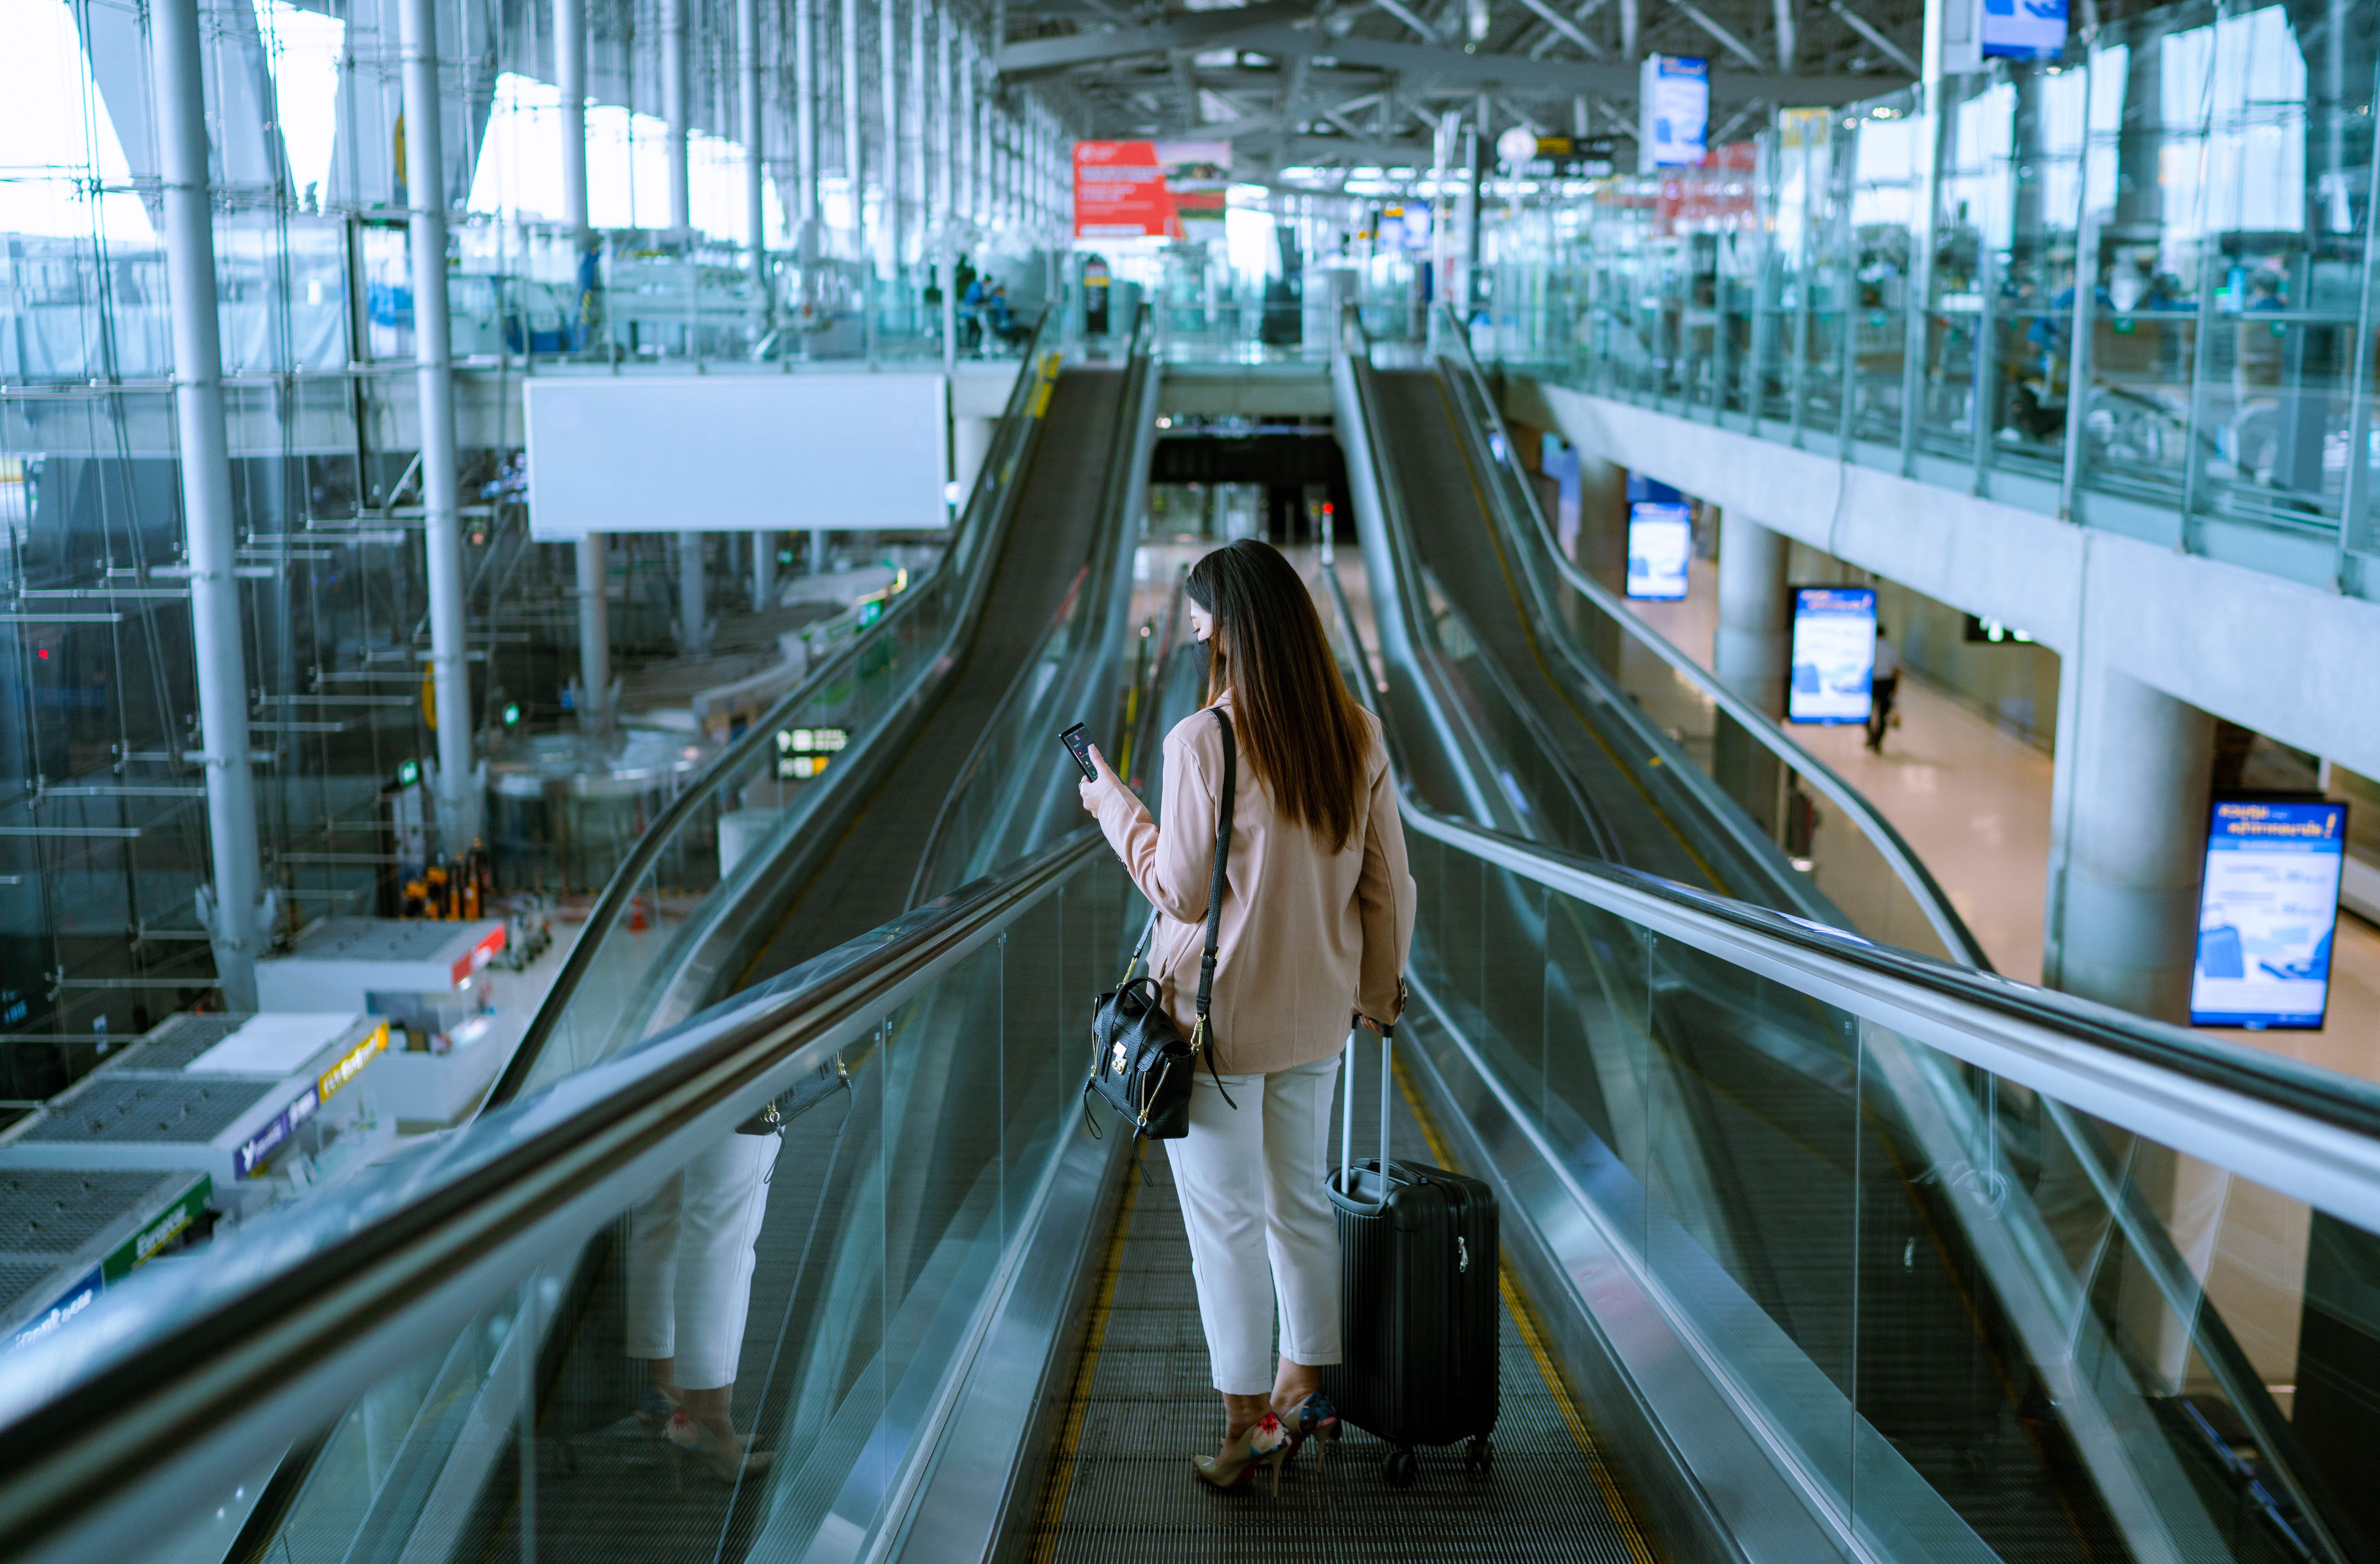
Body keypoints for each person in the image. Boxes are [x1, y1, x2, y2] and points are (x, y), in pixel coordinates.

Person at [1078, 539, 1416, 1494]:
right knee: (1297, 1204)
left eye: (1199, 627)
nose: (1195, 640)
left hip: (1216, 1032)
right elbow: (1392, 886)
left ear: (1229, 632)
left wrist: (1114, 807)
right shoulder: (1355, 732)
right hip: (1318, 1025)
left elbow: (1179, 892)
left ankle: (1242, 1428)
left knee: (1225, 1223)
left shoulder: (1203, 742)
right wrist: (1378, 997)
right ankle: (1303, 1387)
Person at [1866, 623, 1902, 753]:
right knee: (1883, 715)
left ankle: (1870, 735)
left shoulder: (1868, 646)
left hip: (1870, 683)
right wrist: (1895, 689)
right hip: (1886, 684)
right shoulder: (1891, 648)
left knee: (1867, 712)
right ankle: (1878, 741)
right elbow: (1897, 670)